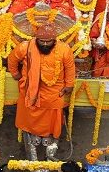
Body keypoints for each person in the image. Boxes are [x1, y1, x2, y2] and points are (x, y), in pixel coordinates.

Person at [8, 23, 75, 161]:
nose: (44, 44)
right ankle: (33, 135)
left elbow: (69, 68)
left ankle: (48, 136)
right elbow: (12, 59)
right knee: (31, 112)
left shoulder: (64, 50)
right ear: (36, 39)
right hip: (31, 89)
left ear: (54, 40)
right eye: (41, 41)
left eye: (48, 41)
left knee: (52, 113)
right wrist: (15, 73)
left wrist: (69, 84)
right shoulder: (26, 47)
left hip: (54, 91)